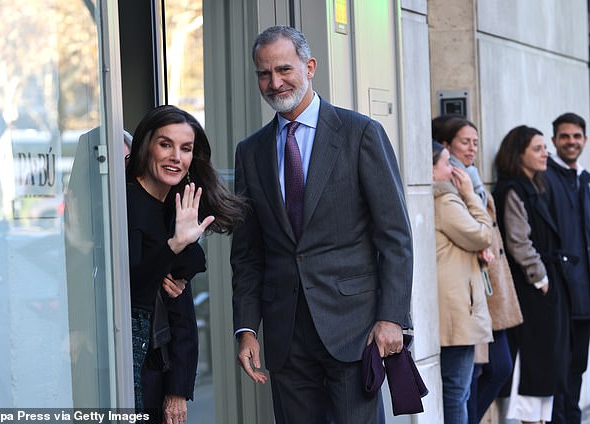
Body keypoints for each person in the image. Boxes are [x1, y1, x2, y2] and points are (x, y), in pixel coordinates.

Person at [230, 25, 413, 423]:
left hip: (354, 329)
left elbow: (395, 236)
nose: (274, 82)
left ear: (309, 67)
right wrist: (246, 327)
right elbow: (248, 252)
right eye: (264, 73)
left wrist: (393, 317)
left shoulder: (360, 133)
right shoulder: (251, 152)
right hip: (285, 335)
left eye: (284, 70)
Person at [126, 105, 245, 423]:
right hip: (130, 363)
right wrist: (175, 245)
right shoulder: (127, 202)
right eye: (165, 144)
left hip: (160, 362)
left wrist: (177, 388)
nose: (176, 156)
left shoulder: (175, 204)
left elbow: (192, 268)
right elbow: (132, 289)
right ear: (145, 146)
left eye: (186, 148)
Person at [433, 116, 523, 423]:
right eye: (463, 142)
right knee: (464, 383)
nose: (472, 148)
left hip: (482, 289)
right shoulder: (450, 193)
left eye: (475, 142)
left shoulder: (466, 179)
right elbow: (482, 234)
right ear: (445, 147)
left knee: (478, 377)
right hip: (465, 300)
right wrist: (470, 196)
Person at [493, 125, 571, 424]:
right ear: (518, 153)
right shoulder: (511, 188)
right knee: (532, 363)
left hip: (545, 285)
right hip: (530, 289)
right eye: (537, 149)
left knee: (548, 363)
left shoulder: (537, 185)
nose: (545, 155)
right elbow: (518, 241)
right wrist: (541, 279)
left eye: (544, 148)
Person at [432, 141, 494, 423]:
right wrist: (470, 194)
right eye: (446, 163)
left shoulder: (440, 199)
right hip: (457, 309)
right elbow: (483, 234)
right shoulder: (445, 199)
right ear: (431, 170)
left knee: (458, 390)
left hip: (453, 306)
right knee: (458, 391)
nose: (453, 169)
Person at [543, 113, 590, 424]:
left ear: (585, 140)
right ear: (554, 140)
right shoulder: (544, 179)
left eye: (576, 136)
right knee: (558, 368)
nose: (571, 142)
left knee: (577, 368)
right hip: (560, 294)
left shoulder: (585, 180)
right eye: (565, 136)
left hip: (585, 297)